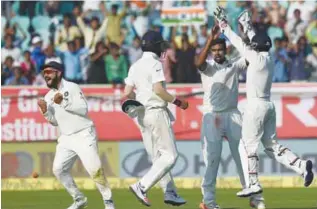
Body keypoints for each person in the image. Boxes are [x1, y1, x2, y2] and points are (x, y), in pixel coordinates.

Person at [213, 7, 314, 198]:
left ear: (256, 47)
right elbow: (255, 41)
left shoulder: (255, 57)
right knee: (271, 146)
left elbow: (239, 43)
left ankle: (253, 183)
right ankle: (301, 166)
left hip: (256, 106)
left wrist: (224, 26)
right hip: (268, 105)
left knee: (246, 146)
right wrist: (247, 24)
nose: (251, 46)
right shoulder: (268, 56)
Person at [195, 26, 265, 209]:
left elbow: (251, 56)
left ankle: (253, 195)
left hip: (233, 114)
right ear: (211, 51)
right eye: (214, 50)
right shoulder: (208, 67)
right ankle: (208, 202)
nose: (217, 53)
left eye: (220, 49)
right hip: (213, 116)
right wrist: (210, 39)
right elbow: (198, 63)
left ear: (226, 49)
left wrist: (247, 33)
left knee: (243, 154)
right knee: (212, 159)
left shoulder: (234, 64)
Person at [122, 30, 188, 207]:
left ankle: (170, 192)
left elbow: (127, 93)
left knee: (159, 158)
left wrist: (139, 98)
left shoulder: (135, 65)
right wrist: (178, 102)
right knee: (170, 156)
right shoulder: (155, 63)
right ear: (155, 46)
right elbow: (159, 90)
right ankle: (141, 186)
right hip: (156, 112)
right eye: (161, 45)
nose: (162, 49)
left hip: (142, 116)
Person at [37, 61, 115, 209]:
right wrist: (46, 112)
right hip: (66, 137)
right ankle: (79, 199)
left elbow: (83, 109)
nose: (46, 75)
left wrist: (64, 102)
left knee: (94, 169)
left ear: (58, 73)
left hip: (84, 133)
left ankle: (109, 202)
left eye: (49, 72)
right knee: (58, 169)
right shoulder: (48, 97)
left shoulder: (72, 87)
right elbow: (54, 122)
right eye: (44, 73)